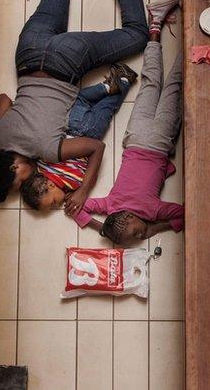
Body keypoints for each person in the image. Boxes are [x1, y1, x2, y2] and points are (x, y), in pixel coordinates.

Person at [0, 0, 151, 211]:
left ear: (14, 167)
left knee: (137, 37)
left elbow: (95, 147)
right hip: (28, 53)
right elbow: (3, 99)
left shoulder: (47, 151)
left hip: (68, 61)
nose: (27, 179)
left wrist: (83, 190)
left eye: (21, 179)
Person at [18, 0, 181, 212]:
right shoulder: (42, 165)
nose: (58, 204)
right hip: (68, 124)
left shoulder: (72, 183)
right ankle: (107, 86)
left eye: (53, 202)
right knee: (84, 99)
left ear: (48, 186)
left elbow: (92, 158)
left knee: (107, 108)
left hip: (90, 135)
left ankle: (120, 82)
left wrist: (82, 191)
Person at [63, 30, 185, 246]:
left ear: (129, 218)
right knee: (151, 84)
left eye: (136, 233)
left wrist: (155, 227)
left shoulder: (152, 211)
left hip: (159, 141)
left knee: (173, 88)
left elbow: (185, 214)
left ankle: (188, 44)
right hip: (134, 137)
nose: (142, 235)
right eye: (139, 237)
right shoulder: (110, 205)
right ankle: (155, 32)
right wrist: (103, 228)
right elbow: (76, 209)